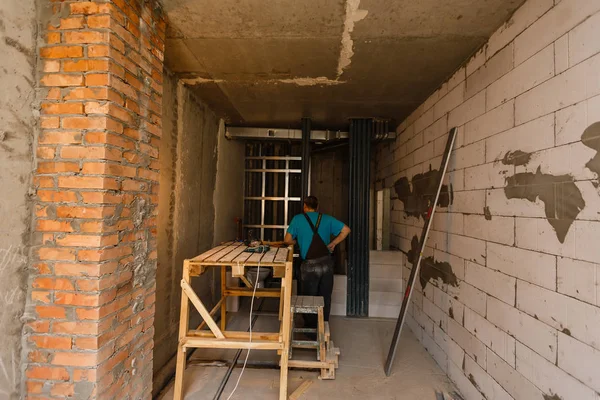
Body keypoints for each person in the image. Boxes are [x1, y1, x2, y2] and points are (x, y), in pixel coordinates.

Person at [284, 196, 351, 332]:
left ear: (305, 206)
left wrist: (298, 242)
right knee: (325, 297)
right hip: (326, 264)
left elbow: (287, 240)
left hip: (308, 266)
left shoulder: (297, 219)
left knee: (308, 297)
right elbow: (346, 230)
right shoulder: (326, 219)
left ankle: (310, 330)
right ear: (317, 206)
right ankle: (323, 327)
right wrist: (333, 243)